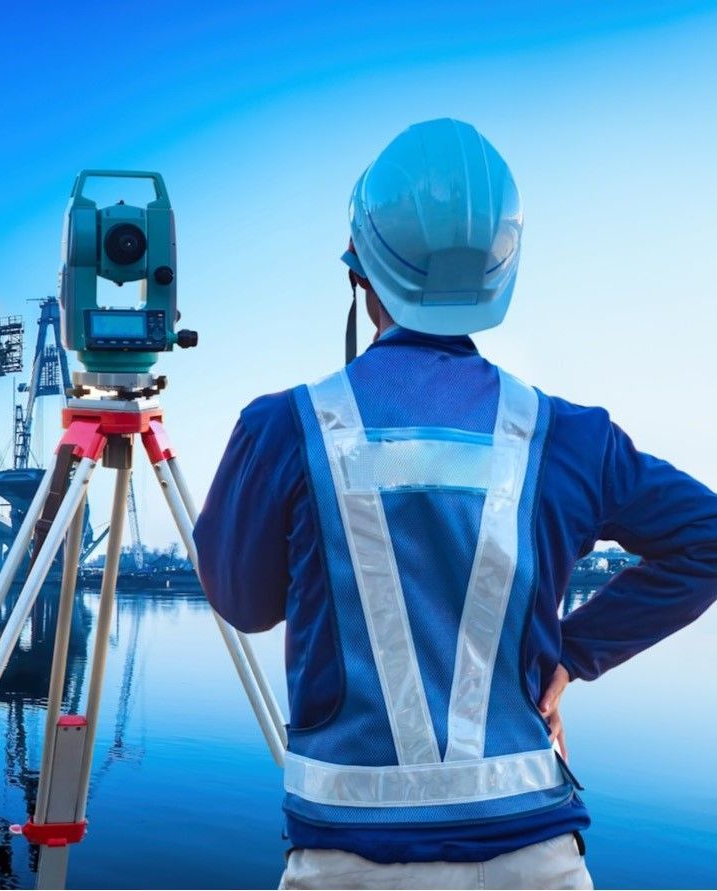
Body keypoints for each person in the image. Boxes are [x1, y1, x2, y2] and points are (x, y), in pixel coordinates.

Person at [193, 118, 717, 890]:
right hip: (534, 855)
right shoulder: (567, 437)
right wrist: (571, 655)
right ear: (497, 281)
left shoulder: (282, 430)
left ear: (359, 273)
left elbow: (243, 604)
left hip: (346, 860)